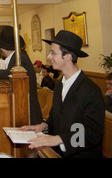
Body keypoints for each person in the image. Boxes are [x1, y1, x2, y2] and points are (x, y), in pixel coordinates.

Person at [21, 30, 105, 158]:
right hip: (58, 152)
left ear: (68, 57)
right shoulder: (60, 84)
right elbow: (56, 115)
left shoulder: (90, 90)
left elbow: (92, 133)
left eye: (53, 53)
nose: (49, 57)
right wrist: (44, 126)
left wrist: (59, 139)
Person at [0, 25, 42, 125]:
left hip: (27, 114)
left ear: (1, 47)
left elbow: (16, 74)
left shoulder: (20, 58)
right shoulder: (18, 56)